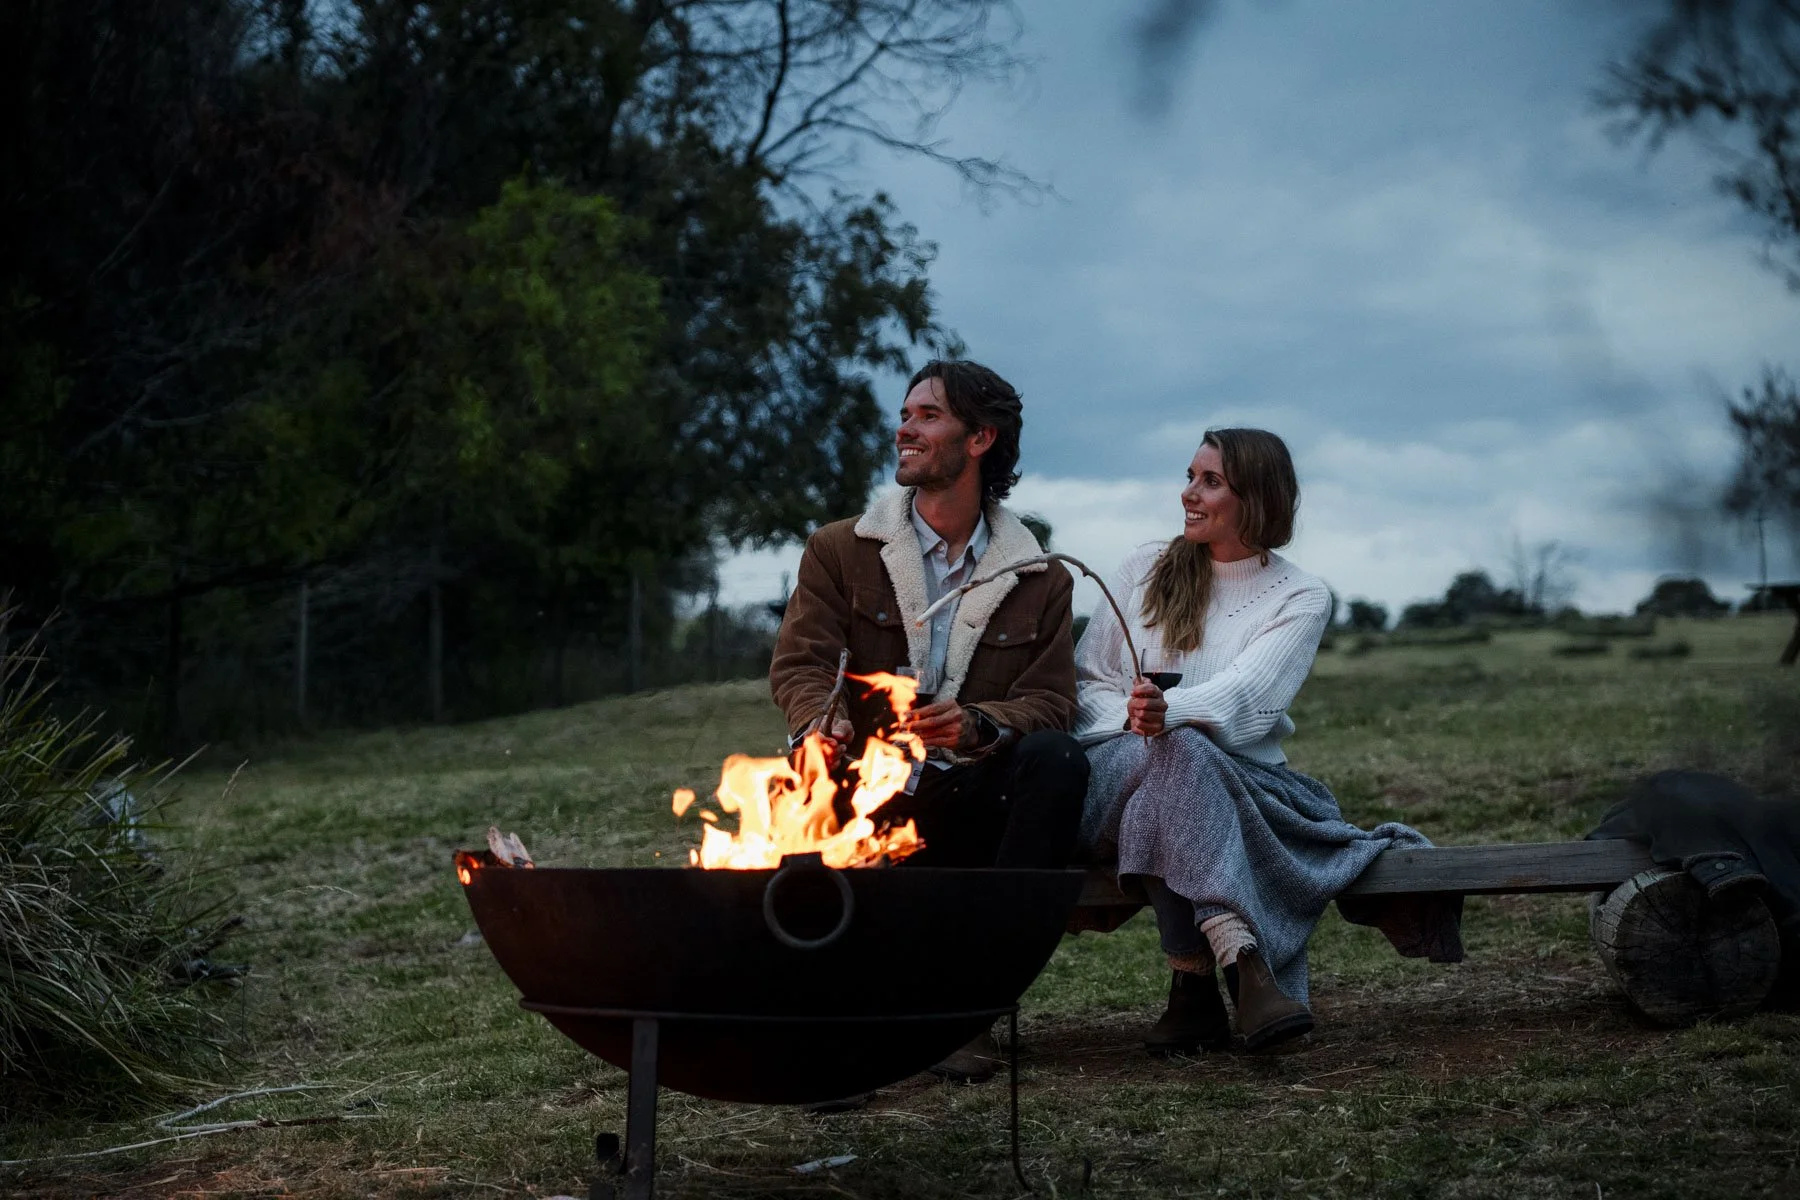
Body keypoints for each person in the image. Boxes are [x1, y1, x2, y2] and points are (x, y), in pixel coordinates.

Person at [770, 357, 1090, 1081]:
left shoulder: (1039, 576)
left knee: (1057, 762)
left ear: (979, 440)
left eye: (927, 416)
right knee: (810, 771)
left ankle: (971, 1013)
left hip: (968, 792)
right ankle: (827, 1034)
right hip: (864, 786)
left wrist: (976, 723)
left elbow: (1052, 702)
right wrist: (822, 720)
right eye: (905, 413)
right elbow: (801, 665)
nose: (904, 428)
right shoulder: (839, 550)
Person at [1073, 428, 1433, 1054]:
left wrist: (1171, 710)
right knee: (1172, 753)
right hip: (1114, 766)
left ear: (1257, 497)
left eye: (1210, 482)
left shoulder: (1299, 595)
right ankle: (1240, 961)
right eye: (1189, 476)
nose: (1189, 493)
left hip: (1239, 777)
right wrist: (1139, 718)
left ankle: (1192, 993)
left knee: (1178, 754)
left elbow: (1251, 698)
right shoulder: (1144, 567)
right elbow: (1088, 683)